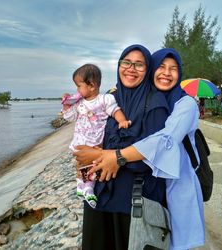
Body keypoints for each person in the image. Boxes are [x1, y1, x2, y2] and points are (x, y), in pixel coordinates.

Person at [77, 48, 205, 249]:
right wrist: (83, 165)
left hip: (133, 201)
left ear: (147, 69)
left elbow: (160, 147)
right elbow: (89, 137)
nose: (131, 69)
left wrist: (112, 156)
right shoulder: (111, 100)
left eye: (139, 64)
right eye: (126, 62)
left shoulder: (162, 104)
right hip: (99, 198)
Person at [61, 63, 130, 208]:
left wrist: (122, 120)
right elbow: (70, 117)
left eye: (79, 86)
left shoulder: (105, 99)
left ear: (91, 85)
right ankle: (82, 185)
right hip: (80, 140)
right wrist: (67, 106)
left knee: (94, 164)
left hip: (95, 141)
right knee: (81, 163)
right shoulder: (79, 103)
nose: (77, 90)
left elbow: (115, 110)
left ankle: (87, 187)